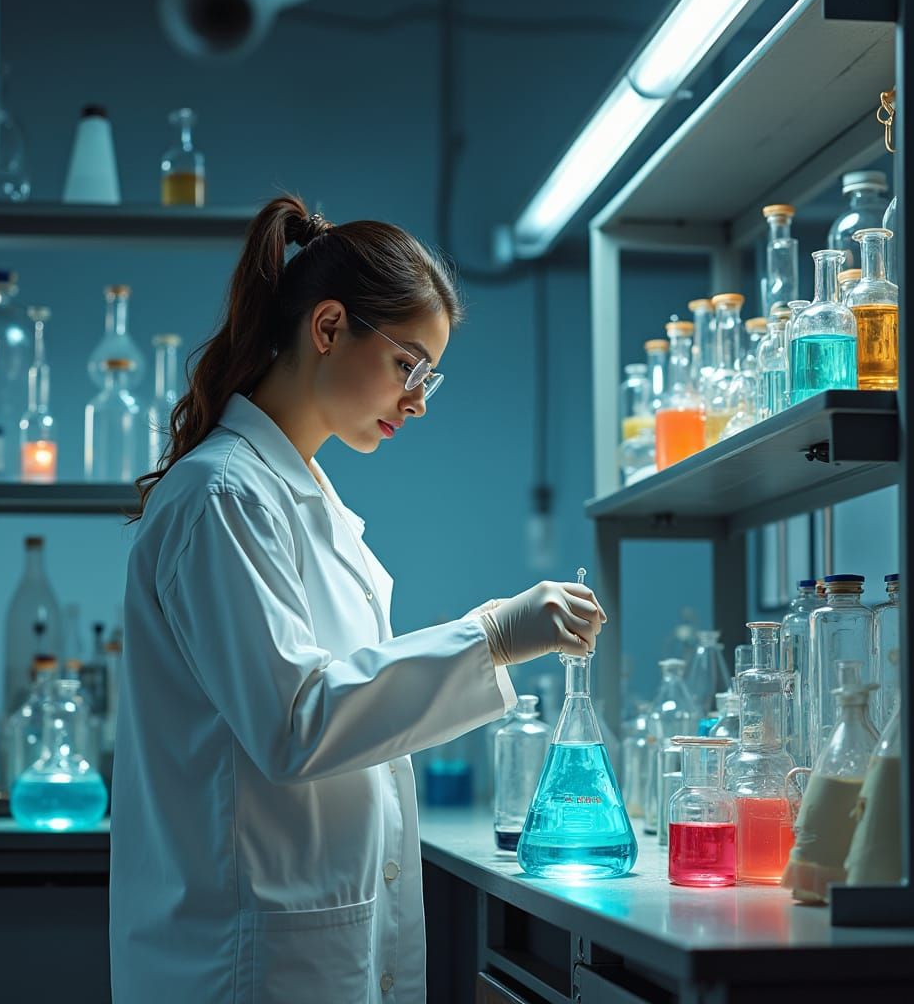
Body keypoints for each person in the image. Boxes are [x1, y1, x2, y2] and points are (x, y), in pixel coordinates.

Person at [109, 193, 605, 1003]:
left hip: (305, 942)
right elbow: (294, 725)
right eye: (409, 364)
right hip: (244, 959)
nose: (417, 399)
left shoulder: (307, 503)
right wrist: (489, 636)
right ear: (330, 327)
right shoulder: (222, 495)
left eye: (429, 376)